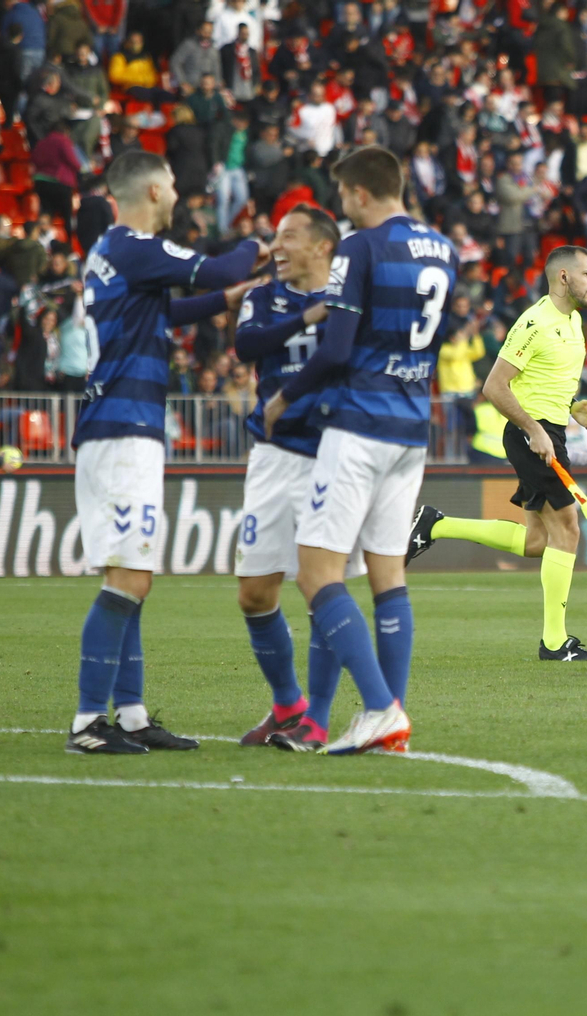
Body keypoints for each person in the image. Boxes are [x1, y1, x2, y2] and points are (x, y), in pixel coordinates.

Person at [67, 150, 266, 755]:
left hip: (121, 424)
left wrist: (229, 301)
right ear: (153, 190)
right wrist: (257, 246)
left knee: (132, 575)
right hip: (123, 428)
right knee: (129, 578)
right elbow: (213, 268)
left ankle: (128, 715)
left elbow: (170, 310)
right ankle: (86, 724)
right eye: (174, 182)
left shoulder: (113, 253)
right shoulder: (132, 244)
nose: (178, 191)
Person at [262, 145, 454, 756]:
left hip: (360, 423)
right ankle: (387, 726)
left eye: (343, 196)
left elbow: (338, 348)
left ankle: (380, 709)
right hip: (411, 425)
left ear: (362, 193)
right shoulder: (443, 248)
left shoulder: (360, 247)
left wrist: (284, 396)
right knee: (387, 576)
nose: (341, 208)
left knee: (318, 573)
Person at [405, 246, 587, 662]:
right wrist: (535, 430)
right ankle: (554, 643)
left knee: (538, 541)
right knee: (567, 530)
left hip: (549, 431)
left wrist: (572, 409)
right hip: (533, 435)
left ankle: (436, 525)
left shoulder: (574, 321)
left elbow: (542, 382)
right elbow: (494, 386)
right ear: (564, 277)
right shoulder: (534, 322)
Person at [231, 206, 348, 753]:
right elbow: (247, 348)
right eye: (275, 237)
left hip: (332, 455)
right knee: (255, 593)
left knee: (321, 587)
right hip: (274, 456)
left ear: (323, 245)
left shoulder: (350, 295)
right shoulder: (262, 297)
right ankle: (287, 705)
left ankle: (316, 720)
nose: (276, 246)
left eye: (289, 237)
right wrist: (308, 317)